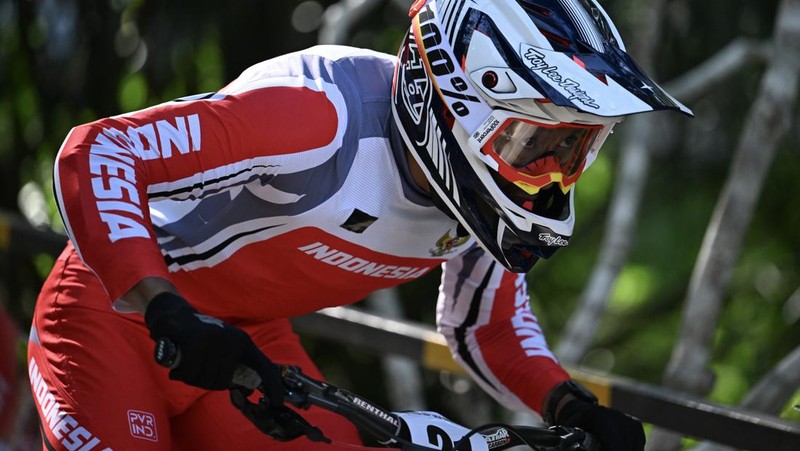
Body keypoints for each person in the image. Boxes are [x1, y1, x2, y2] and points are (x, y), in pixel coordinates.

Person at [28, 0, 691, 449]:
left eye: (572, 151)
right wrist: (162, 305)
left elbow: (486, 325)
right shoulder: (318, 116)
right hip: (114, 314)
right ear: (459, 102)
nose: (548, 178)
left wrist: (571, 407)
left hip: (245, 345)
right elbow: (100, 150)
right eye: (535, 144)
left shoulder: (477, 205)